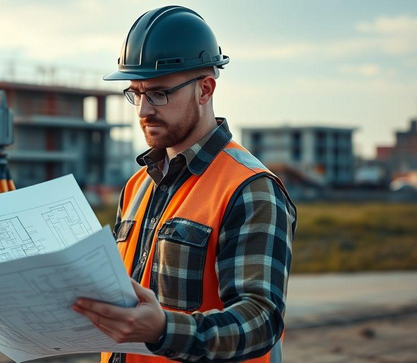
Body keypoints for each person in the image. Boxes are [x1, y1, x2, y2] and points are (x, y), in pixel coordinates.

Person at [71, 5, 297, 363]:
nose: (144, 110)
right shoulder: (136, 187)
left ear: (205, 89)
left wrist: (163, 330)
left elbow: (261, 321)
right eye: (136, 92)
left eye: (159, 93)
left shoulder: (251, 188)